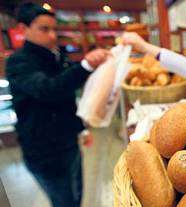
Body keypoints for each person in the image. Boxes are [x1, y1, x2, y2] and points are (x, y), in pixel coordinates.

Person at [5, 3, 109, 207]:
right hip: (43, 151)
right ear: (23, 29)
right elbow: (48, 88)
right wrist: (85, 65)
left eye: (54, 29)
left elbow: (66, 97)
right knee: (63, 201)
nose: (52, 35)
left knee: (77, 193)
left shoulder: (56, 55)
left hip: (69, 141)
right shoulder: (18, 62)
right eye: (44, 29)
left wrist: (80, 129)